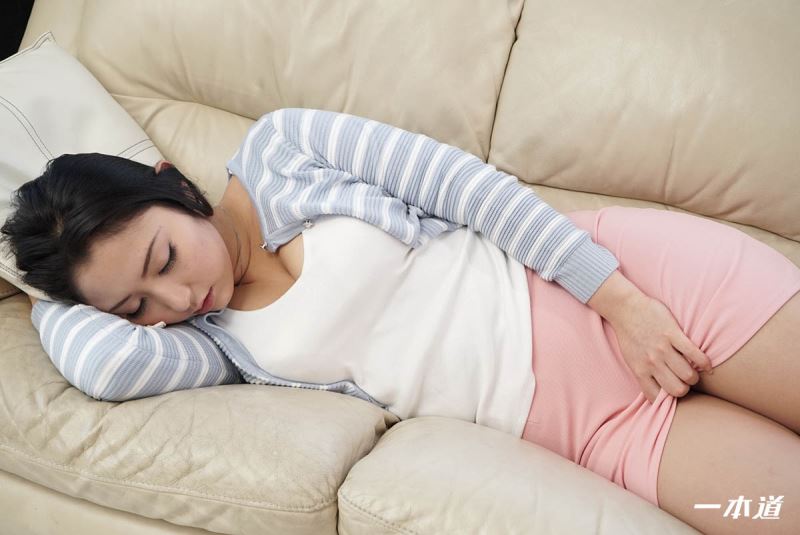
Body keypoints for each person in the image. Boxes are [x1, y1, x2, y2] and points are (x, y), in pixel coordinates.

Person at [2, 108, 799, 533]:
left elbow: (469, 187)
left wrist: (623, 304)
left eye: (164, 258)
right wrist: (48, 290)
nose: (175, 300)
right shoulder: (209, 345)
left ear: (174, 186)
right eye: (134, 306)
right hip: (605, 432)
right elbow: (103, 364)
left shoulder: (284, 148)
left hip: (634, 286)